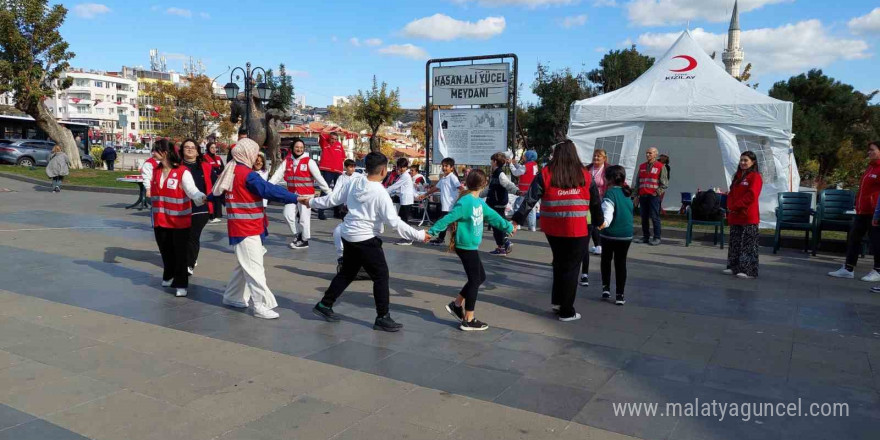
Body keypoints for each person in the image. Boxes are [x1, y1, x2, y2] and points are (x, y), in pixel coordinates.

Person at [304, 152, 428, 332]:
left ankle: (324, 304)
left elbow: (333, 199)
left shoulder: (355, 181)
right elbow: (395, 223)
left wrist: (311, 201)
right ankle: (382, 316)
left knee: (347, 272)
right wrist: (419, 235)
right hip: (366, 239)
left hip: (348, 235)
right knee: (381, 276)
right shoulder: (380, 192)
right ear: (384, 170)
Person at [513, 140, 603, 321]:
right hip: (577, 228)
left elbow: (530, 199)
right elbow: (595, 201)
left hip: (552, 228)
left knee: (560, 263)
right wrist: (599, 221)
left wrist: (517, 220)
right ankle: (566, 310)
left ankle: (558, 302)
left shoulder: (545, 173)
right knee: (571, 268)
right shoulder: (584, 175)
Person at [212, 138, 300, 319]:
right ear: (247, 153)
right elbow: (267, 189)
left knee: (244, 265)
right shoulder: (246, 174)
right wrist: (295, 197)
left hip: (241, 227)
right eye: (254, 152)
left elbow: (215, 192)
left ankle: (232, 296)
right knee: (254, 269)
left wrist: (202, 199)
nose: (256, 156)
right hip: (247, 228)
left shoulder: (231, 170)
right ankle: (261, 305)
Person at [428, 170, 514, 331]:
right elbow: (448, 218)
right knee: (475, 280)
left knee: (480, 277)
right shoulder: (466, 202)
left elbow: (493, 216)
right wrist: (431, 232)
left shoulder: (478, 202)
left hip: (471, 246)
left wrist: (508, 226)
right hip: (465, 246)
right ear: (484, 184)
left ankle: (456, 304)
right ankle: (469, 318)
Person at [149, 139, 207, 298]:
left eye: (155, 150)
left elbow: (192, 190)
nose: (153, 153)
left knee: (180, 253)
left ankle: (181, 283)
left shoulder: (182, 172)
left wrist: (200, 197)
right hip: (160, 220)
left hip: (179, 221)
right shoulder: (156, 171)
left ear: (165, 152)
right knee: (165, 251)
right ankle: (168, 275)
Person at [829, 141, 880, 281]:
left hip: (874, 212)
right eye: (868, 150)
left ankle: (878, 270)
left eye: (872, 150)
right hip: (862, 211)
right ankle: (848, 268)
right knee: (854, 238)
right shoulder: (870, 168)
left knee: (876, 241)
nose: (869, 152)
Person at [269, 137, 330, 249]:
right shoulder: (287, 161)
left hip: (306, 195)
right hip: (292, 194)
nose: (299, 149)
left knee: (304, 218)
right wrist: (267, 187)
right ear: (292, 148)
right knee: (287, 215)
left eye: (301, 148)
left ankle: (305, 240)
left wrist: (329, 193)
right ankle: (298, 234)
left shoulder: (309, 162)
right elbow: (277, 176)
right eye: (297, 147)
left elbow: (319, 178)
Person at [598, 165, 634, 305]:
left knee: (606, 260)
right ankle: (620, 295)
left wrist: (603, 224)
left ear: (609, 179)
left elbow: (607, 212)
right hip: (626, 234)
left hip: (610, 234)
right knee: (621, 263)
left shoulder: (610, 193)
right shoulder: (627, 193)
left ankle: (606, 287)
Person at [724, 151, 764, 280]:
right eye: (741, 160)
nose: (742, 163)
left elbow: (752, 195)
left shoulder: (755, 176)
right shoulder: (737, 176)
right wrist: (730, 205)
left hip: (748, 215)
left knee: (748, 244)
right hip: (736, 215)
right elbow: (732, 193)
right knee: (735, 242)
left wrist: (736, 205)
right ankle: (733, 266)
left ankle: (748, 270)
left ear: (753, 162)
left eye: (745, 160)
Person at [180, 139, 215, 275]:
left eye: (192, 147)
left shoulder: (205, 166)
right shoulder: (177, 167)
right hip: (181, 206)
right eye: (186, 147)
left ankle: (189, 265)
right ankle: (190, 258)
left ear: (197, 150)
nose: (190, 149)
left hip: (201, 207)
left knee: (193, 236)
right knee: (183, 237)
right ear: (182, 150)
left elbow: (215, 183)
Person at [419, 157, 461, 246]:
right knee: (445, 223)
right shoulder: (444, 178)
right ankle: (442, 239)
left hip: (451, 206)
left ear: (452, 167)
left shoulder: (453, 177)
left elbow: (460, 188)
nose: (444, 168)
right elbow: (436, 188)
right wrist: (425, 194)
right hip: (445, 206)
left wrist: (462, 199)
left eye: (446, 166)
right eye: (443, 166)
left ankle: (453, 242)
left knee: (445, 223)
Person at [332, 160, 366, 266]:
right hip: (346, 207)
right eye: (350, 167)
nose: (352, 169)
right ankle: (345, 248)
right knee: (345, 228)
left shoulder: (359, 176)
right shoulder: (341, 178)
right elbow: (336, 191)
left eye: (353, 167)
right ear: (345, 167)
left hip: (357, 206)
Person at [487, 152, 521, 256]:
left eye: (492, 160)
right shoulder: (495, 173)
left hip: (497, 204)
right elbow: (490, 189)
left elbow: (508, 184)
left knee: (498, 225)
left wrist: (516, 190)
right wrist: (478, 194)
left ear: (495, 162)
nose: (491, 162)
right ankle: (501, 246)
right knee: (497, 225)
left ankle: (505, 243)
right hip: (495, 203)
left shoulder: (500, 174)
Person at [633, 147, 668, 246]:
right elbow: (637, 182)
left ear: (655, 155)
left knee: (654, 217)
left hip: (653, 196)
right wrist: (636, 196)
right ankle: (645, 237)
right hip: (643, 195)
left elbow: (664, 184)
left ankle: (657, 237)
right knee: (644, 217)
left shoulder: (661, 166)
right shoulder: (642, 166)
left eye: (650, 153)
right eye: (647, 153)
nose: (648, 155)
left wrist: (656, 193)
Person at [386, 158, 416, 245]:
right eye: (399, 167)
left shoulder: (405, 176)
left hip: (406, 201)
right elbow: (401, 188)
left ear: (406, 167)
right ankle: (406, 237)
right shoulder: (403, 175)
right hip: (404, 200)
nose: (399, 169)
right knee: (402, 219)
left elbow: (395, 186)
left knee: (404, 220)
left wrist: (385, 191)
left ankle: (408, 238)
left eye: (402, 167)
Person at [317, 130, 346, 220]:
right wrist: (329, 134)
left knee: (338, 192)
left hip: (338, 171)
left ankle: (337, 212)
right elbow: (321, 135)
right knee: (325, 190)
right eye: (332, 138)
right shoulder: (324, 143)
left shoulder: (339, 145)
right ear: (329, 138)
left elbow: (343, 157)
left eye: (335, 139)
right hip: (327, 170)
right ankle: (320, 212)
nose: (333, 140)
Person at [512, 150, 539, 232]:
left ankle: (517, 223)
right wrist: (515, 164)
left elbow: (516, 173)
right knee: (531, 208)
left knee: (518, 206)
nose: (523, 157)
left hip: (524, 190)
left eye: (524, 155)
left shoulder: (526, 166)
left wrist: (511, 165)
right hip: (532, 189)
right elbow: (522, 169)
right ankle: (532, 226)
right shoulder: (534, 165)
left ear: (528, 156)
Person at [205, 142, 225, 223]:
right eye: (212, 148)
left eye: (215, 147)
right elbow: (207, 168)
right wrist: (215, 174)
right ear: (208, 148)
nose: (214, 149)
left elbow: (223, 167)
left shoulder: (218, 158)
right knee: (211, 197)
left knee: (218, 197)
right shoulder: (205, 157)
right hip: (210, 180)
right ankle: (211, 215)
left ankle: (218, 214)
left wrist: (220, 174)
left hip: (219, 180)